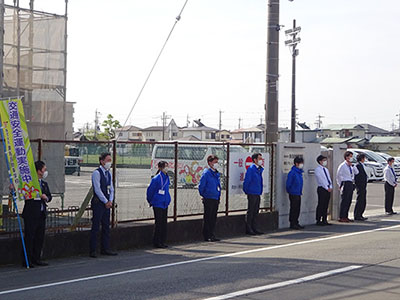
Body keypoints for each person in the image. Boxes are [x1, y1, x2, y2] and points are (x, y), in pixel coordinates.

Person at [18, 160, 52, 267]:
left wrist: (46, 198)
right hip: (31, 214)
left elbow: (49, 197)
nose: (45, 172)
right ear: (38, 171)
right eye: (43, 170)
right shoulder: (30, 184)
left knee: (39, 237)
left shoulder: (44, 184)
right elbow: (23, 193)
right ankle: (27, 260)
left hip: (41, 214)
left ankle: (37, 258)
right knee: (30, 237)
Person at [89, 152, 117, 258]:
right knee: (96, 226)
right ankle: (93, 250)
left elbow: (111, 188)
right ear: (102, 161)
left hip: (107, 204)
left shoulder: (108, 173)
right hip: (98, 203)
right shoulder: (97, 173)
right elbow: (97, 189)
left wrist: (110, 200)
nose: (110, 163)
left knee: (106, 226)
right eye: (108, 160)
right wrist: (105, 201)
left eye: (110, 160)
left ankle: (105, 248)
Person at [146, 161, 171, 248]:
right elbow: (150, 191)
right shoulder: (156, 178)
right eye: (165, 167)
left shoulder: (167, 178)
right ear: (160, 168)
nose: (166, 168)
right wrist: (151, 201)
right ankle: (157, 242)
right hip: (157, 203)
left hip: (164, 203)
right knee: (159, 223)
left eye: (167, 166)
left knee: (164, 223)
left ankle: (163, 241)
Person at [198, 155, 221, 242]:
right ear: (210, 163)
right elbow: (201, 186)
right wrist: (204, 195)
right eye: (215, 162)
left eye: (217, 162)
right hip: (208, 198)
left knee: (213, 217)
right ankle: (207, 235)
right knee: (208, 217)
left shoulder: (216, 173)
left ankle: (212, 234)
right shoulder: (206, 173)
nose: (216, 164)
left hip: (215, 198)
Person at [243, 153, 264, 235]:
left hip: (257, 192)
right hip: (252, 192)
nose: (261, 160)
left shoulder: (259, 169)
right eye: (259, 159)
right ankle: (249, 228)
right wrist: (247, 190)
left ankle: (254, 227)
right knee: (251, 211)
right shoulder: (251, 169)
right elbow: (247, 181)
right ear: (255, 160)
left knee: (256, 211)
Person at [336, 151, 359, 223]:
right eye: (350, 156)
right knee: (344, 201)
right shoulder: (342, 165)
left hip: (351, 183)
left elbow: (357, 172)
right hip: (345, 183)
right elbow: (338, 176)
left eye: (352, 157)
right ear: (346, 157)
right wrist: (340, 184)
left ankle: (346, 216)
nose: (351, 158)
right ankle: (342, 216)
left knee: (349, 201)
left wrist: (352, 165)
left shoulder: (351, 166)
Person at [286, 156, 305, 230]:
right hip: (293, 193)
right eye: (300, 163)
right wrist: (290, 191)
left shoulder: (299, 172)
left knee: (297, 208)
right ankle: (292, 223)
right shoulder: (292, 173)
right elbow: (288, 184)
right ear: (296, 164)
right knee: (293, 208)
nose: (302, 165)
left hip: (298, 192)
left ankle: (296, 222)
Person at [314, 155, 333, 226]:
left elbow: (328, 179)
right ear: (320, 161)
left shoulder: (326, 169)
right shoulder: (318, 169)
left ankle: (324, 219)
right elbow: (321, 180)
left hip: (328, 188)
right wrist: (326, 187)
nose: (325, 162)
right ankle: (318, 219)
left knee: (326, 204)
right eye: (324, 160)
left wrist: (330, 186)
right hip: (322, 188)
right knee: (321, 204)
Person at [354, 153, 368, 221]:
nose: (364, 159)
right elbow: (357, 176)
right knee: (360, 200)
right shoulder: (358, 165)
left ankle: (360, 214)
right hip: (360, 185)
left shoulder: (361, 165)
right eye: (364, 158)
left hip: (363, 185)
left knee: (363, 200)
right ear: (362, 159)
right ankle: (357, 214)